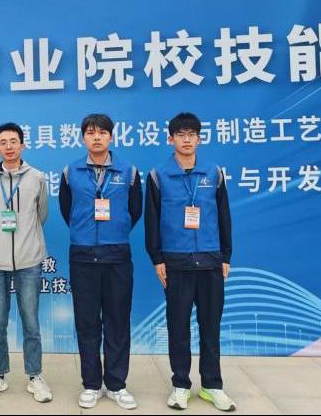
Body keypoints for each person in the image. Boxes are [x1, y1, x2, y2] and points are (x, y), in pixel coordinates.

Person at [144, 112, 235, 412]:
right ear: (170, 139)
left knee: (211, 327)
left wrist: (225, 255)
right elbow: (152, 221)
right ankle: (180, 385)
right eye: (180, 134)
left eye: (191, 134)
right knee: (178, 328)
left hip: (210, 261)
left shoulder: (213, 173)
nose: (186, 139)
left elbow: (224, 216)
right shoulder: (158, 176)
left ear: (199, 138)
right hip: (176, 263)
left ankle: (212, 385)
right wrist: (157, 258)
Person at [59, 113, 142, 410]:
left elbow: (135, 210)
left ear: (111, 137)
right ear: (83, 137)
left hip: (117, 255)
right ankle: (92, 384)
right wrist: (85, 231)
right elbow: (67, 210)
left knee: (118, 321)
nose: (97, 137)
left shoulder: (128, 171)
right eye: (91, 132)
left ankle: (117, 384)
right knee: (87, 322)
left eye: (103, 132)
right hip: (83, 255)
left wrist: (115, 229)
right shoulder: (70, 172)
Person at [0, 122, 53, 403]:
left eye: (13, 141)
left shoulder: (37, 178)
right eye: (3, 142)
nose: (8, 147)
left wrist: (25, 241)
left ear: (23, 144)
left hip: (29, 262)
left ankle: (35, 376)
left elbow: (40, 215)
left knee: (31, 322)